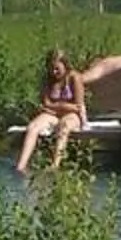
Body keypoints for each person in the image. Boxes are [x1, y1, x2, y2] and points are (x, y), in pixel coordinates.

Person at [13, 47, 86, 176]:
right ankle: (21, 166)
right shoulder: (48, 80)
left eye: (57, 68)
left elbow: (77, 107)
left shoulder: (74, 78)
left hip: (72, 115)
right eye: (51, 68)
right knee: (33, 127)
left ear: (65, 65)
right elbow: (45, 103)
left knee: (64, 127)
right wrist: (57, 106)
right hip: (52, 115)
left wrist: (56, 105)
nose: (54, 71)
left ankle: (55, 165)